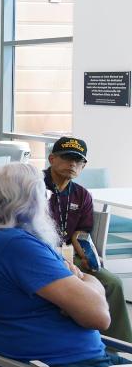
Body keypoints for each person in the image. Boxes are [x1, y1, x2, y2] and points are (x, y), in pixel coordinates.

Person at [0, 162, 132, 367]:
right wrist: (85, 280)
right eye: (45, 193)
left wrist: (80, 283)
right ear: (33, 200)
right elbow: (99, 316)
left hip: (76, 362)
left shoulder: (7, 239)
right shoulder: (16, 246)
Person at [44, 136, 132, 342]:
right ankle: (79, 342)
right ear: (52, 159)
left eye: (78, 160)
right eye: (66, 158)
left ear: (83, 166)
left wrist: (88, 256)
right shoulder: (33, 185)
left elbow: (80, 233)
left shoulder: (82, 195)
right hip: (41, 253)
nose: (72, 164)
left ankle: (118, 345)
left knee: (112, 282)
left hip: (68, 255)